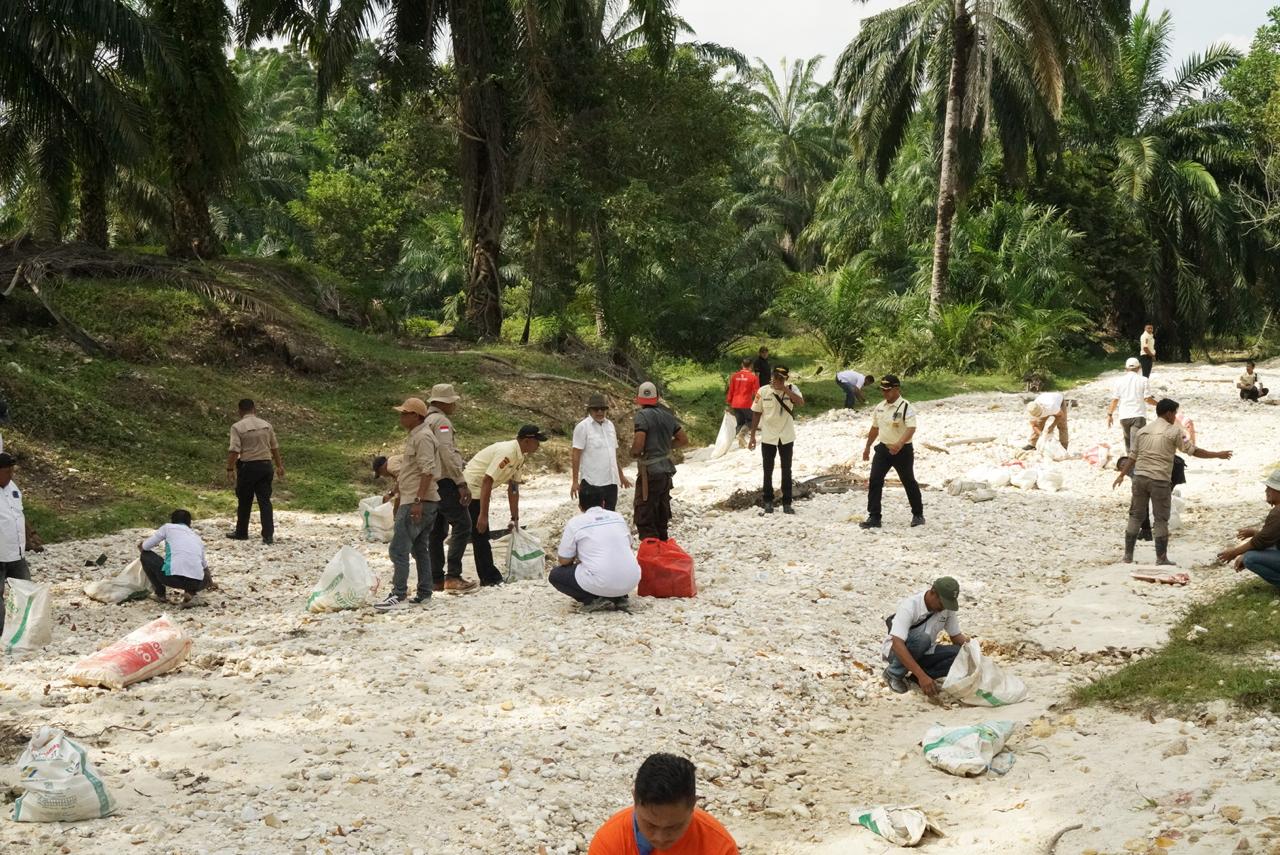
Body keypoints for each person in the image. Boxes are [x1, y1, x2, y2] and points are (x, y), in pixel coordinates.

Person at [1114, 398, 1232, 565]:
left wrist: (1121, 475)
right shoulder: (1176, 432)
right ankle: (1161, 558)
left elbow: (1132, 456)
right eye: (1175, 413)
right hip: (1159, 480)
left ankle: (1128, 556)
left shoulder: (1142, 431)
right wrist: (1217, 454)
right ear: (1169, 413)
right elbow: (1193, 450)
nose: (1175, 416)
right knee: (1161, 519)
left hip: (1139, 478)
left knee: (1135, 516)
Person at [589, 753, 738, 855]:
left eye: (673, 827)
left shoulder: (720, 848)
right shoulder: (609, 844)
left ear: (693, 805)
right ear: (634, 800)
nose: (660, 838)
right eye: (650, 825)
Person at [375, 397, 441, 611]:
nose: (401, 417)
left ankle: (399, 594)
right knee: (420, 548)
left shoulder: (422, 437)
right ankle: (424, 593)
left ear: (416, 416)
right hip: (420, 499)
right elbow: (410, 472)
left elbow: (427, 470)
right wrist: (396, 491)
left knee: (398, 549)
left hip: (416, 500)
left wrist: (417, 501)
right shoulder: (418, 436)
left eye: (405, 413)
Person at [463, 425, 547, 586]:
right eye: (537, 441)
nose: (538, 445)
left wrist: (514, 518)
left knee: (478, 533)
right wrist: (483, 515)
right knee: (480, 533)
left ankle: (487, 576)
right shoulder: (508, 452)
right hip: (470, 489)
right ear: (527, 440)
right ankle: (488, 578)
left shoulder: (520, 456)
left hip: (479, 489)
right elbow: (487, 480)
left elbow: (514, 487)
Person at [551, 486, 641, 612]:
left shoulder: (575, 523)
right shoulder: (618, 517)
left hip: (602, 580)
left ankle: (592, 600)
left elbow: (564, 561)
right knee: (611, 563)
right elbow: (628, 546)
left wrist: (580, 559)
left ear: (580, 506)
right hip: (631, 580)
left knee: (556, 575)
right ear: (603, 503)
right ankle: (619, 597)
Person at [424, 384, 477, 594]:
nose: (455, 405)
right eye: (452, 401)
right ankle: (453, 576)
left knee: (436, 531)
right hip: (445, 481)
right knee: (463, 525)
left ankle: (435, 578)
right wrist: (460, 482)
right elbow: (446, 452)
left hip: (430, 482)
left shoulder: (425, 422)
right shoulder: (442, 422)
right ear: (444, 402)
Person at [881, 577, 968, 696]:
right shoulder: (909, 606)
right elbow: (897, 643)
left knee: (960, 653)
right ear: (932, 592)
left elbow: (956, 636)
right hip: (897, 652)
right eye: (942, 603)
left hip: (925, 650)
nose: (944, 607)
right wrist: (922, 675)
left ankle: (916, 680)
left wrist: (975, 655)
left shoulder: (946, 609)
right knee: (923, 639)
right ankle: (893, 673)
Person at [860, 375, 924, 529]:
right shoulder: (880, 407)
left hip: (902, 450)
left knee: (908, 481)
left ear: (897, 389)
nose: (885, 393)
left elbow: (911, 428)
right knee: (875, 479)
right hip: (883, 449)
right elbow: (875, 428)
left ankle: (918, 514)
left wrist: (900, 444)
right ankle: (874, 517)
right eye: (882, 390)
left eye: (888, 390)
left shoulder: (906, 407)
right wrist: (868, 446)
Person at [631, 383, 689, 542]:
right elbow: (683, 439)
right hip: (665, 471)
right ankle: (663, 551)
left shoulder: (642, 416)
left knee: (645, 515)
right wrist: (664, 447)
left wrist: (634, 453)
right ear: (657, 398)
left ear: (638, 399)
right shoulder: (667, 416)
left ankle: (652, 555)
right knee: (662, 514)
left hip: (650, 472)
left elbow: (639, 442)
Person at [226, 399, 285, 544]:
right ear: (254, 409)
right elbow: (274, 447)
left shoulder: (237, 427)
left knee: (245, 500)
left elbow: (234, 450)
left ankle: (241, 532)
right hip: (266, 466)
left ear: (239, 411)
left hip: (248, 467)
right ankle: (268, 535)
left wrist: (230, 468)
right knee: (265, 500)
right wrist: (279, 466)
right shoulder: (266, 425)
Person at [749, 366, 804, 514]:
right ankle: (768, 501)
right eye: (776, 377)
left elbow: (800, 402)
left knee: (787, 470)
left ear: (786, 379)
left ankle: (787, 502)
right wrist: (753, 436)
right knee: (768, 470)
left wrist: (785, 390)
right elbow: (756, 413)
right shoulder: (763, 391)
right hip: (768, 436)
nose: (778, 380)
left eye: (782, 378)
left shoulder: (792, 389)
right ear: (772, 376)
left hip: (786, 436)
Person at [0, 452, 43, 638]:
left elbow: (19, 514)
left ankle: (26, 627)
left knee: (26, 588)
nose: (11, 474)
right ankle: (2, 632)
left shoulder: (12, 487)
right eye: (7, 471)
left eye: (12, 470)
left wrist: (31, 534)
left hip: (17, 553)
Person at [1216, 470, 1280, 589]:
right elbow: (1270, 537)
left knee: (1250, 558)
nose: (1266, 491)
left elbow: (1261, 541)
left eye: (1269, 488)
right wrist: (1255, 533)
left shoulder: (1278, 512)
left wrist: (1234, 553)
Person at [571, 394, 632, 512]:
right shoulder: (582, 427)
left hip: (611, 481)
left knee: (609, 514)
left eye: (603, 409)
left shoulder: (610, 426)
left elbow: (612, 454)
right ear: (589, 410)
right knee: (591, 516)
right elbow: (576, 454)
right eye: (596, 409)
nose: (600, 412)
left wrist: (621, 476)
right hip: (592, 482)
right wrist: (574, 481)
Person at [138, 509, 211, 604]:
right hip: (198, 583)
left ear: (172, 521)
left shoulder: (167, 528)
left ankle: (160, 594)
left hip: (172, 579)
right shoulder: (196, 537)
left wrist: (141, 546)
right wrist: (209, 581)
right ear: (189, 523)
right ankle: (191, 593)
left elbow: (146, 547)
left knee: (145, 555)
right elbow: (205, 566)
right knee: (199, 571)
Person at [1107, 357, 1158, 453]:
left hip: (1124, 416)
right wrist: (1159, 404)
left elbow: (1115, 400)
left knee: (1128, 444)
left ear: (1126, 369)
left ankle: (1130, 466)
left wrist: (1110, 414)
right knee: (1137, 445)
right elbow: (1147, 399)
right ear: (1139, 368)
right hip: (1138, 415)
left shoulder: (1119, 381)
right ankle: (1135, 467)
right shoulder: (1143, 380)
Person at [724, 359, 760, 447]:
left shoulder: (734, 376)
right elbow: (757, 393)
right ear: (751, 366)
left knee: (740, 422)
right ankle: (741, 435)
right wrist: (758, 403)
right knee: (752, 420)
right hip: (746, 403)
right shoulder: (753, 377)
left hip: (735, 403)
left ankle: (741, 443)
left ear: (742, 364)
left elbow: (731, 390)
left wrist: (728, 402)